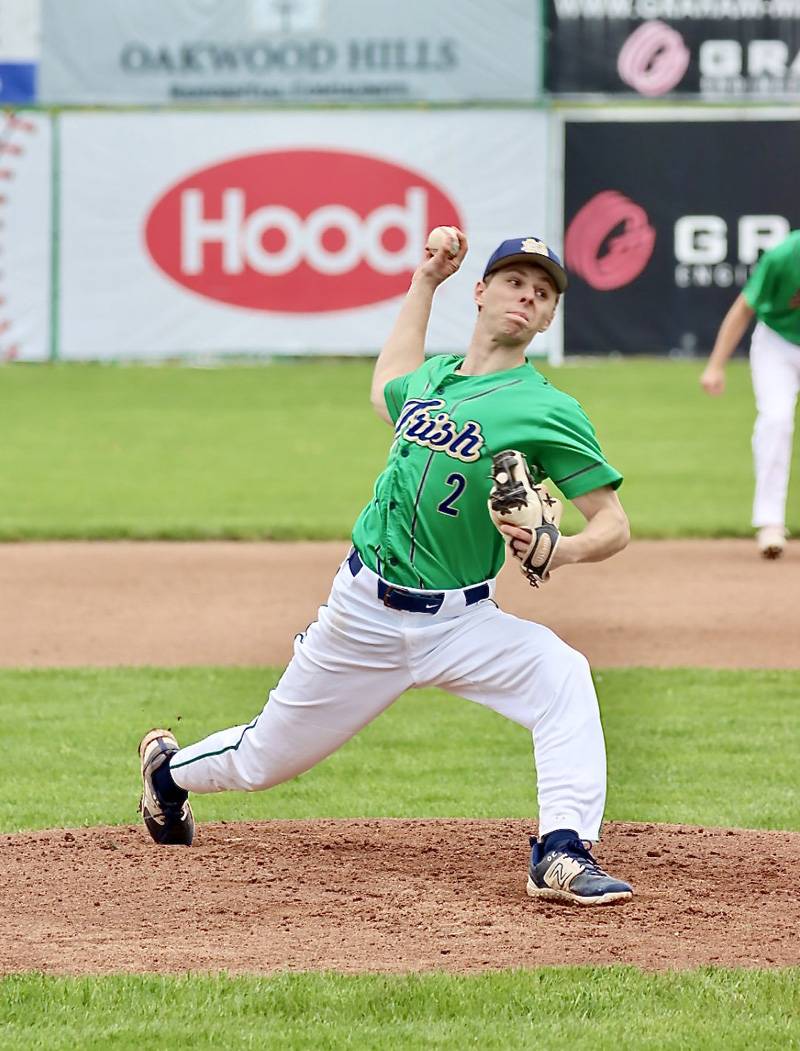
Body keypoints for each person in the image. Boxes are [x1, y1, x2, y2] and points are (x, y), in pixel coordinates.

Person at [138, 232, 634, 906]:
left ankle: (560, 850)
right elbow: (384, 386)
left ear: (547, 319)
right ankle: (168, 775)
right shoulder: (429, 381)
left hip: (462, 622)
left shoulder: (547, 409)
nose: (529, 295)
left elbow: (613, 523)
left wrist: (564, 549)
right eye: (516, 281)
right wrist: (426, 279)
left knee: (562, 673)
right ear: (482, 293)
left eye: (543, 293)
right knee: (264, 759)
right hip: (361, 616)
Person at [700, 230, 800, 559]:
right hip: (778, 343)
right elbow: (743, 309)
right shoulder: (784, 256)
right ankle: (770, 522)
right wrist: (715, 366)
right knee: (776, 419)